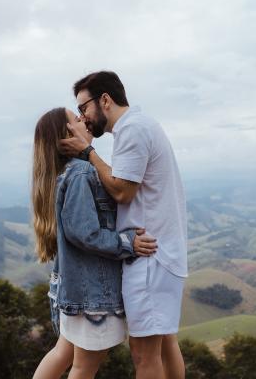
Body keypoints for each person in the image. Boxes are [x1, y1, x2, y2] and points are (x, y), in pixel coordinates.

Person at [60, 71, 188, 379]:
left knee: (144, 356)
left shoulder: (132, 130)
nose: (83, 118)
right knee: (165, 344)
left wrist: (87, 153)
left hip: (148, 256)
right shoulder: (142, 126)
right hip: (160, 252)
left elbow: (122, 190)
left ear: (104, 99)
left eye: (83, 108)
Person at [31, 107, 158, 379]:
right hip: (92, 295)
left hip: (77, 288)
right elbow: (84, 233)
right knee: (83, 367)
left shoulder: (70, 172)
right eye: (76, 119)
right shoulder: (81, 174)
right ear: (66, 135)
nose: (84, 120)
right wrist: (128, 243)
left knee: (63, 353)